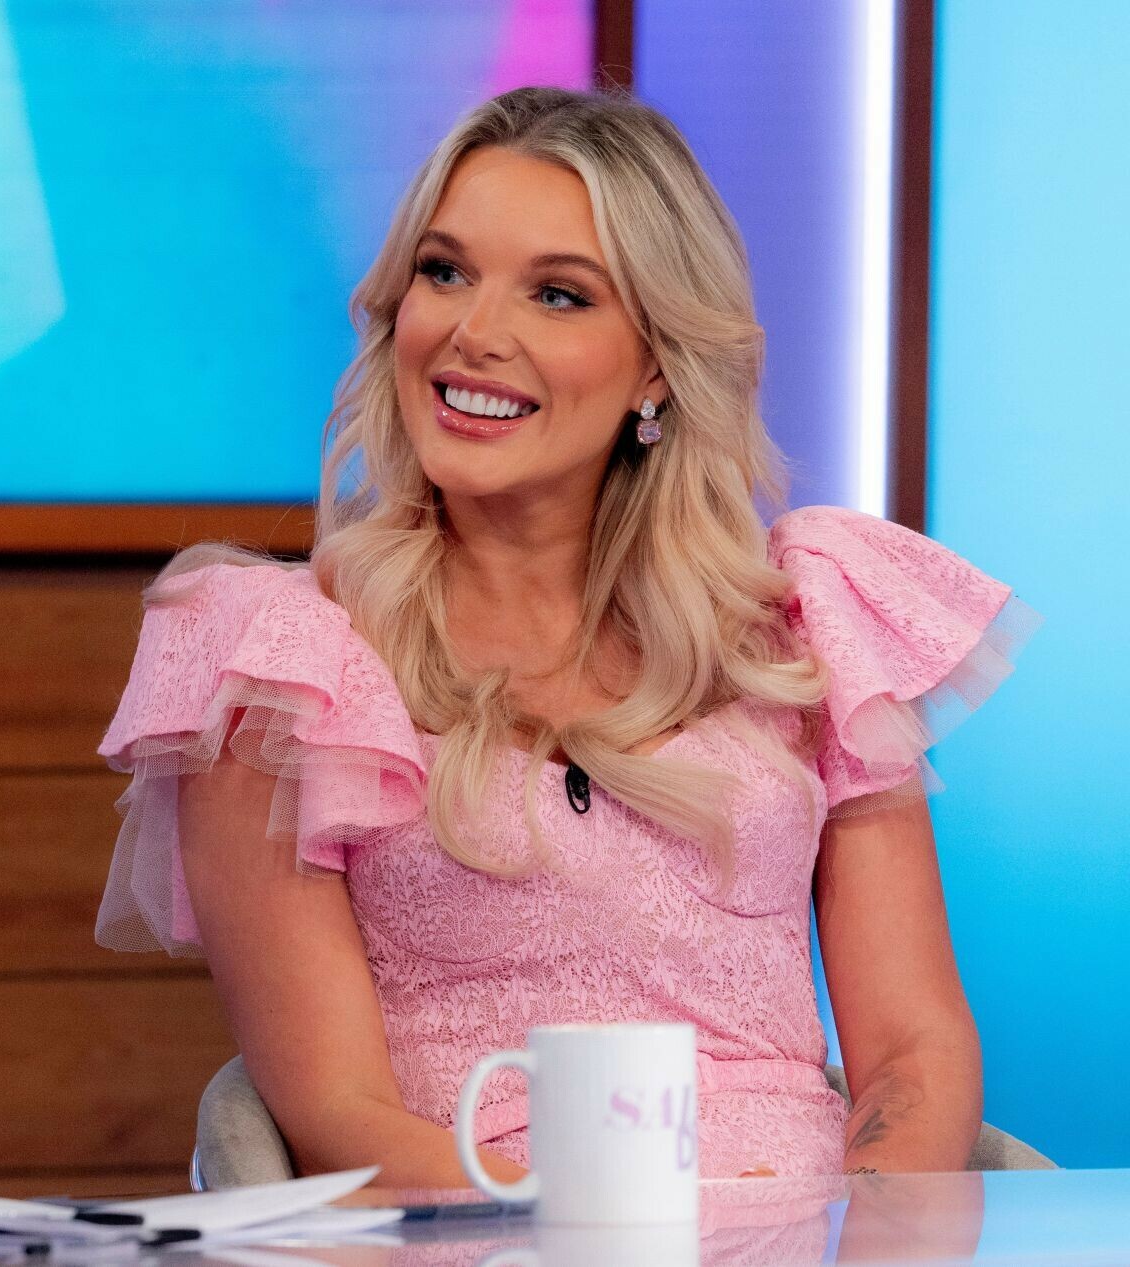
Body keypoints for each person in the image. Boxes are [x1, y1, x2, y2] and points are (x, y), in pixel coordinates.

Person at [95, 85, 1042, 1186]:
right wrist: (618, 1238)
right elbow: (339, 1119)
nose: (475, 333)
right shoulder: (276, 663)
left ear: (657, 364)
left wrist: (853, 1234)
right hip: (484, 1235)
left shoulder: (802, 635)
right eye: (444, 272)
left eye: (557, 294)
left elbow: (913, 1052)